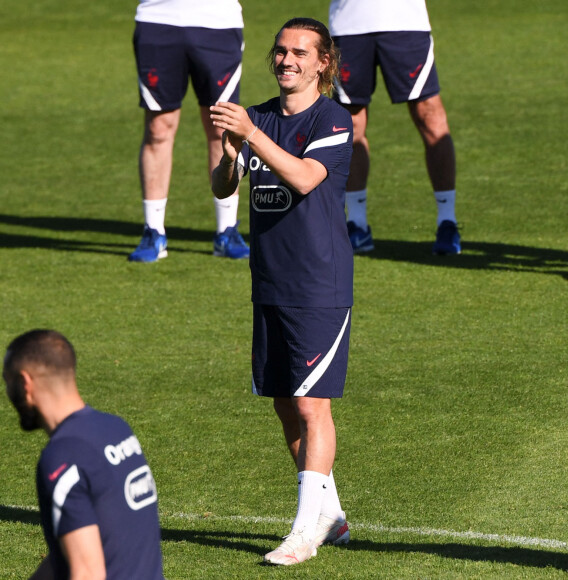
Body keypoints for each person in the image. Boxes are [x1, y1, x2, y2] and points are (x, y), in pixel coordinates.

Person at [211, 17, 353, 566]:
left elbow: (302, 177)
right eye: (280, 50)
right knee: (283, 404)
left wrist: (249, 134)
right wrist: (229, 152)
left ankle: (303, 533)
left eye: (300, 52)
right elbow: (225, 185)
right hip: (269, 281)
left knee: (312, 405)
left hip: (318, 285)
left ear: (324, 63)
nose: (286, 59)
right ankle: (331, 513)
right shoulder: (261, 116)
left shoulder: (332, 120)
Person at [3, 330, 165, 580]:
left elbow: (88, 572)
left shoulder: (63, 457)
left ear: (25, 384)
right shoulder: (116, 429)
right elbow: (81, 544)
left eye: (8, 382)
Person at [329, 0, 461, 255]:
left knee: (430, 116)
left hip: (405, 21)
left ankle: (447, 221)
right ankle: (357, 224)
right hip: (349, 23)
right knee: (350, 123)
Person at [129, 0, 250, 262]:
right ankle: (153, 231)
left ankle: (227, 230)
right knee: (158, 128)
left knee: (222, 128)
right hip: (158, 18)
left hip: (218, 22)